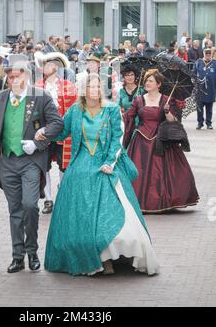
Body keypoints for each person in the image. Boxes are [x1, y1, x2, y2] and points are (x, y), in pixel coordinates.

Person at [37, 73, 159, 276]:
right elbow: (61, 131)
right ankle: (91, 257)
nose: (94, 91)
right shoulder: (75, 111)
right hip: (81, 164)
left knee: (113, 212)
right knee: (79, 212)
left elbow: (117, 139)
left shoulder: (111, 109)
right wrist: (44, 132)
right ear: (83, 91)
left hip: (106, 163)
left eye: (97, 87)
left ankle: (114, 255)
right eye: (90, 87)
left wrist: (109, 163)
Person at [0, 54, 63, 274]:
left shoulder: (41, 97)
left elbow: (57, 124)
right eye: (10, 77)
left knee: (30, 205)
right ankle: (18, 256)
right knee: (14, 209)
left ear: (26, 75)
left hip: (30, 161)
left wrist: (38, 142)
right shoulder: (0, 99)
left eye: (17, 76)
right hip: (7, 160)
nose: (14, 81)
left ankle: (32, 251)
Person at [124, 69, 199, 213]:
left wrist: (167, 111)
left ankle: (163, 200)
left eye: (150, 81)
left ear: (158, 84)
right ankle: (137, 201)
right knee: (140, 171)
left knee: (162, 172)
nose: (147, 83)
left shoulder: (166, 100)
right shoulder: (139, 100)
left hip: (161, 140)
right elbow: (129, 118)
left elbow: (173, 120)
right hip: (141, 140)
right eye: (146, 80)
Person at [34, 51, 77, 214]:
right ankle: (48, 200)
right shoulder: (37, 86)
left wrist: (69, 130)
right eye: (45, 64)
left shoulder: (68, 86)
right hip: (44, 134)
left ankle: (62, 197)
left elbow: (73, 111)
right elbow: (33, 113)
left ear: (56, 67)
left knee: (63, 166)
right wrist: (38, 129)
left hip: (63, 133)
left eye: (48, 64)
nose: (45, 67)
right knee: (43, 167)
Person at [194, 48, 216, 130]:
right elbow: (193, 73)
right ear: (203, 53)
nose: (207, 55)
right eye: (206, 54)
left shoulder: (214, 63)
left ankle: (209, 123)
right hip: (200, 89)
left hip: (211, 89)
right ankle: (200, 122)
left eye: (209, 54)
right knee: (199, 108)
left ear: (211, 54)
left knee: (209, 108)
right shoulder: (198, 62)